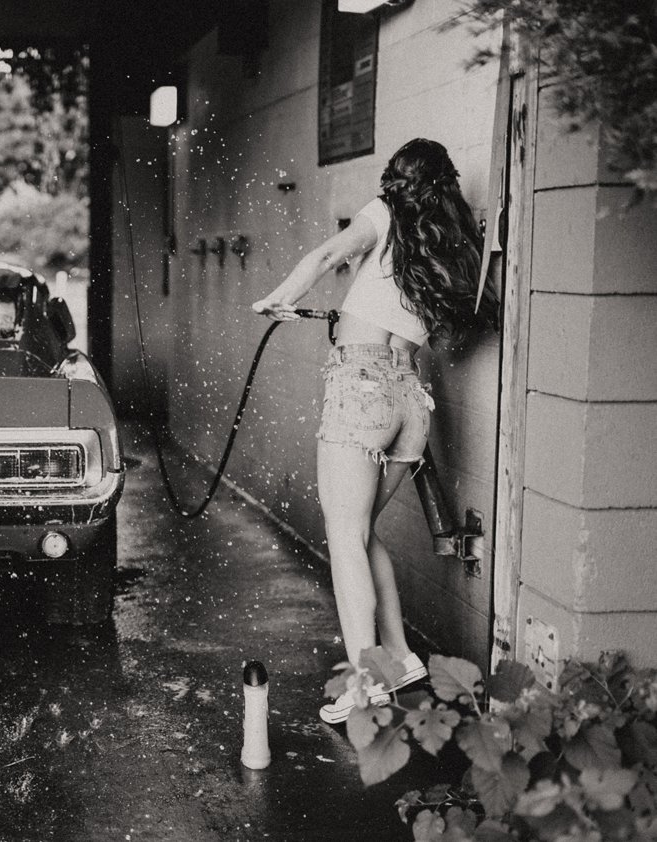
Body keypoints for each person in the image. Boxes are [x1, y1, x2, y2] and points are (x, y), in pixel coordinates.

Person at [252, 138, 494, 725]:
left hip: (362, 387)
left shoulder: (385, 214)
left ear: (398, 182)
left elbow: (327, 254)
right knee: (359, 531)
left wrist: (278, 298)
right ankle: (402, 657)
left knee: (344, 535)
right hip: (411, 398)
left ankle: (364, 686)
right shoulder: (451, 239)